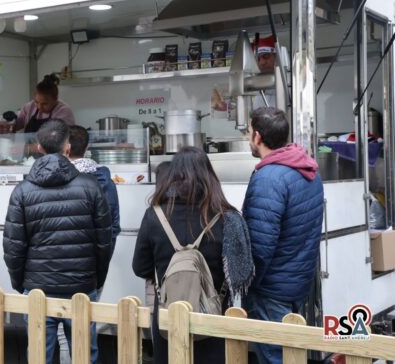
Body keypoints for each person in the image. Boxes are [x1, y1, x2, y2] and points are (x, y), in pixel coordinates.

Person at [3, 119, 112, 364]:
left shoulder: (22, 191)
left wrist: (21, 283)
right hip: (81, 286)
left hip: (38, 288)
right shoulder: (91, 186)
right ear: (68, 147)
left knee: (39, 355)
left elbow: (13, 247)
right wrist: (95, 279)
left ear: (39, 147)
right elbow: (104, 241)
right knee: (84, 354)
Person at [132, 147, 254, 364]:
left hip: (168, 319)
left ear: (172, 176)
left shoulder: (154, 215)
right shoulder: (227, 218)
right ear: (210, 176)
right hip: (213, 319)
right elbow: (240, 276)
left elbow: (140, 267)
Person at [242, 107, 324, 364]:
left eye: (248, 131)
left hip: (271, 290)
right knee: (292, 355)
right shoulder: (308, 168)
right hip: (297, 284)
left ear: (257, 136)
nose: (247, 137)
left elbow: (260, 247)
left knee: (276, 357)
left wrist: (248, 284)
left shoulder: (268, 178)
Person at [68, 125, 120, 256]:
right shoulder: (105, 181)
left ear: (64, 148)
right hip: (94, 259)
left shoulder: (54, 178)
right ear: (86, 148)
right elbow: (112, 227)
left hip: (58, 258)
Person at [253, 35, 277, 109]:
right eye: (258, 59)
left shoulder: (289, 84)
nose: (262, 63)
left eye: (266, 57)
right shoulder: (258, 90)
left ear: (276, 57)